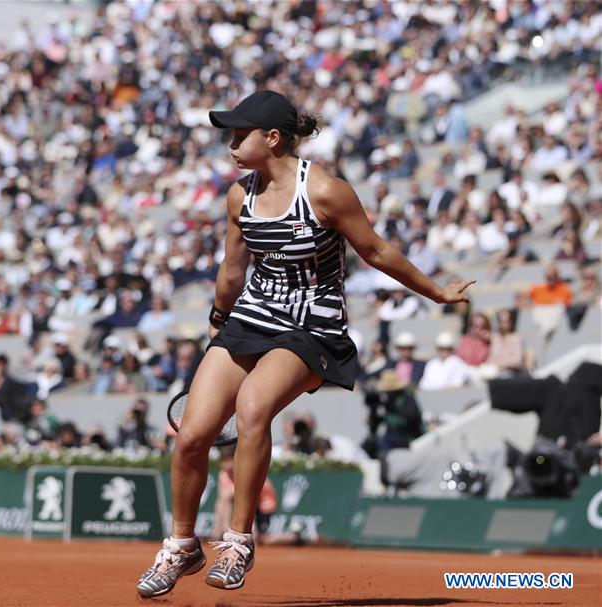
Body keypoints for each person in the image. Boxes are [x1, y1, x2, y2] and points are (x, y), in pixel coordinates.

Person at [136, 91, 473, 598]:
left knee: (252, 408)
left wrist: (438, 291)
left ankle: (237, 541)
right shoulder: (238, 196)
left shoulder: (325, 191)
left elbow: (377, 251)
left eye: (238, 134)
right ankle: (181, 546)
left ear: (272, 138)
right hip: (250, 318)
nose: (229, 144)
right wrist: (217, 324)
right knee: (191, 434)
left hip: (312, 326)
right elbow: (232, 270)